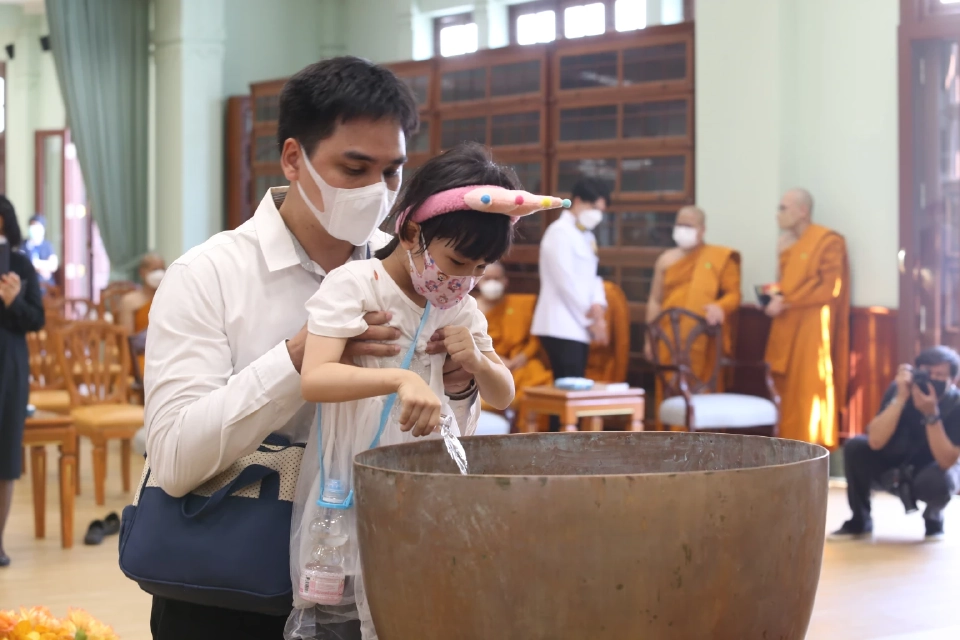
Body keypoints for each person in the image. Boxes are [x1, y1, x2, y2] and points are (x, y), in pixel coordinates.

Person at [143, 57, 478, 640]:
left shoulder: (413, 270)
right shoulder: (209, 274)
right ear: (294, 158)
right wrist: (297, 357)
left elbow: (445, 440)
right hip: (232, 588)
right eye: (355, 168)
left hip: (371, 584)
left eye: (393, 172)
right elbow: (173, 461)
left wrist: (459, 382)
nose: (378, 191)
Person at [294, 143, 558, 638]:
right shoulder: (355, 285)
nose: (464, 281)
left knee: (413, 612)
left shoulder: (458, 308)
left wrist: (477, 361)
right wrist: (400, 377)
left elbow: (504, 395)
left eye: (479, 269)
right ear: (414, 231)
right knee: (344, 621)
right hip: (346, 493)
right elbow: (316, 378)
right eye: (457, 261)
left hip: (425, 497)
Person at [832, 347, 960, 540]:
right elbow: (875, 441)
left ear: (953, 380)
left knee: (942, 479)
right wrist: (900, 398)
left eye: (939, 375)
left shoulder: (956, 404)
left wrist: (931, 414)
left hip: (929, 472)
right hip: (894, 465)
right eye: (927, 373)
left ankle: (933, 518)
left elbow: (946, 461)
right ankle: (860, 521)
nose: (932, 379)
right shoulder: (899, 390)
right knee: (855, 446)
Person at [763, 188, 849, 446]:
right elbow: (786, 283)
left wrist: (786, 302)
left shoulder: (828, 241)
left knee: (808, 388)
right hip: (785, 325)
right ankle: (786, 450)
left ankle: (811, 448)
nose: (778, 214)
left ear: (802, 211)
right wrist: (772, 299)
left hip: (811, 327)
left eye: (783, 208)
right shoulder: (786, 243)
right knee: (785, 391)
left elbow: (830, 289)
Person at [531, 176, 610, 431]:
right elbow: (566, 283)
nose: (598, 215)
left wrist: (599, 308)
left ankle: (567, 445)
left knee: (573, 396)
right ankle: (559, 448)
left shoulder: (586, 236)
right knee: (566, 395)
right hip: (559, 325)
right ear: (578, 201)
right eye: (595, 208)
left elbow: (594, 277)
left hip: (579, 326)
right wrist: (592, 321)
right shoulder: (559, 233)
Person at [645, 206, 741, 390]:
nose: (683, 230)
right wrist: (649, 339)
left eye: (689, 226)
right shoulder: (665, 260)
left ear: (702, 230)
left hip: (703, 336)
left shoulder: (718, 258)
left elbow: (734, 295)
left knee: (702, 393)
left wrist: (720, 307)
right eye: (679, 225)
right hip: (668, 336)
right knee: (668, 389)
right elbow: (655, 300)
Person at [0, 196, 45, 567]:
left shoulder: (19, 264)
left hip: (9, 365)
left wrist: (14, 302)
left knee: (6, 454)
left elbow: (36, 319)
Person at [476, 262, 552, 410]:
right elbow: (471, 342)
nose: (492, 283)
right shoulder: (471, 308)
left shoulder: (520, 305)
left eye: (497, 279)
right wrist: (495, 358)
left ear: (505, 281)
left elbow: (534, 338)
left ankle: (531, 429)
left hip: (519, 363)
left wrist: (523, 356)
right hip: (487, 363)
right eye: (487, 279)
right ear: (478, 281)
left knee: (540, 379)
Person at [117, 253, 166, 334]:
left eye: (162, 269)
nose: (159, 274)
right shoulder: (129, 301)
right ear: (142, 272)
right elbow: (128, 337)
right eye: (155, 269)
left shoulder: (168, 298)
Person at [24, 215, 58, 286]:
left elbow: (53, 265)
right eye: (32, 225)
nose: (33, 229)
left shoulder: (47, 245)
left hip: (45, 285)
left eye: (36, 226)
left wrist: (36, 264)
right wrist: (42, 267)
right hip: (27, 283)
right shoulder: (23, 245)